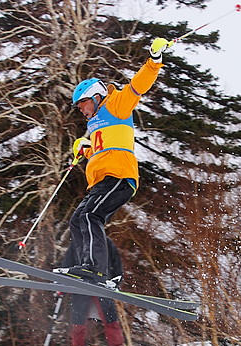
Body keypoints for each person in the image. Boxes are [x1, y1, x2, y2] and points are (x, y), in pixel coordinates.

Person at [54, 37, 172, 284]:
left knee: (90, 217)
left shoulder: (116, 105)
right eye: (78, 107)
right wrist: (84, 150)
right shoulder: (95, 124)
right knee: (78, 220)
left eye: (82, 104)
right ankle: (88, 267)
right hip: (100, 182)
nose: (81, 110)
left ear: (96, 96)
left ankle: (96, 269)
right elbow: (100, 150)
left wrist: (154, 60)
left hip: (118, 177)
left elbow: (138, 86)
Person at [60, 237, 127, 346]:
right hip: (81, 286)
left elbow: (116, 263)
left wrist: (116, 281)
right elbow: (67, 264)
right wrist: (62, 283)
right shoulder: (77, 243)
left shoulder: (106, 242)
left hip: (102, 284)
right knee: (78, 319)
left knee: (110, 318)